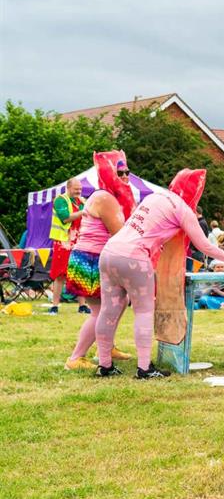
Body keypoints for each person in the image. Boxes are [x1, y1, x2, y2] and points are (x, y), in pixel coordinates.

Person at [95, 169, 224, 379]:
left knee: (108, 311)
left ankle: (104, 365)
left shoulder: (154, 196)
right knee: (144, 311)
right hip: (135, 259)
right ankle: (144, 368)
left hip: (109, 253)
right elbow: (205, 246)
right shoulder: (183, 210)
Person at [63, 152, 136, 370]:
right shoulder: (105, 198)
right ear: (108, 174)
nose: (126, 176)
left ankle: (107, 346)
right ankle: (75, 358)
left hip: (97, 257)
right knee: (100, 311)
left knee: (120, 301)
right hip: (91, 260)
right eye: (120, 173)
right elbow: (120, 234)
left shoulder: (110, 196)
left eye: (127, 172)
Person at [48, 177, 88, 315]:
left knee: (80, 274)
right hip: (63, 242)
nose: (79, 191)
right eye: (76, 189)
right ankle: (55, 306)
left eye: (80, 189)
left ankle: (82, 306)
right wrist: (83, 212)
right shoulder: (60, 200)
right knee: (60, 274)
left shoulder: (82, 201)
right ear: (68, 188)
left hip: (79, 241)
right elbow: (65, 218)